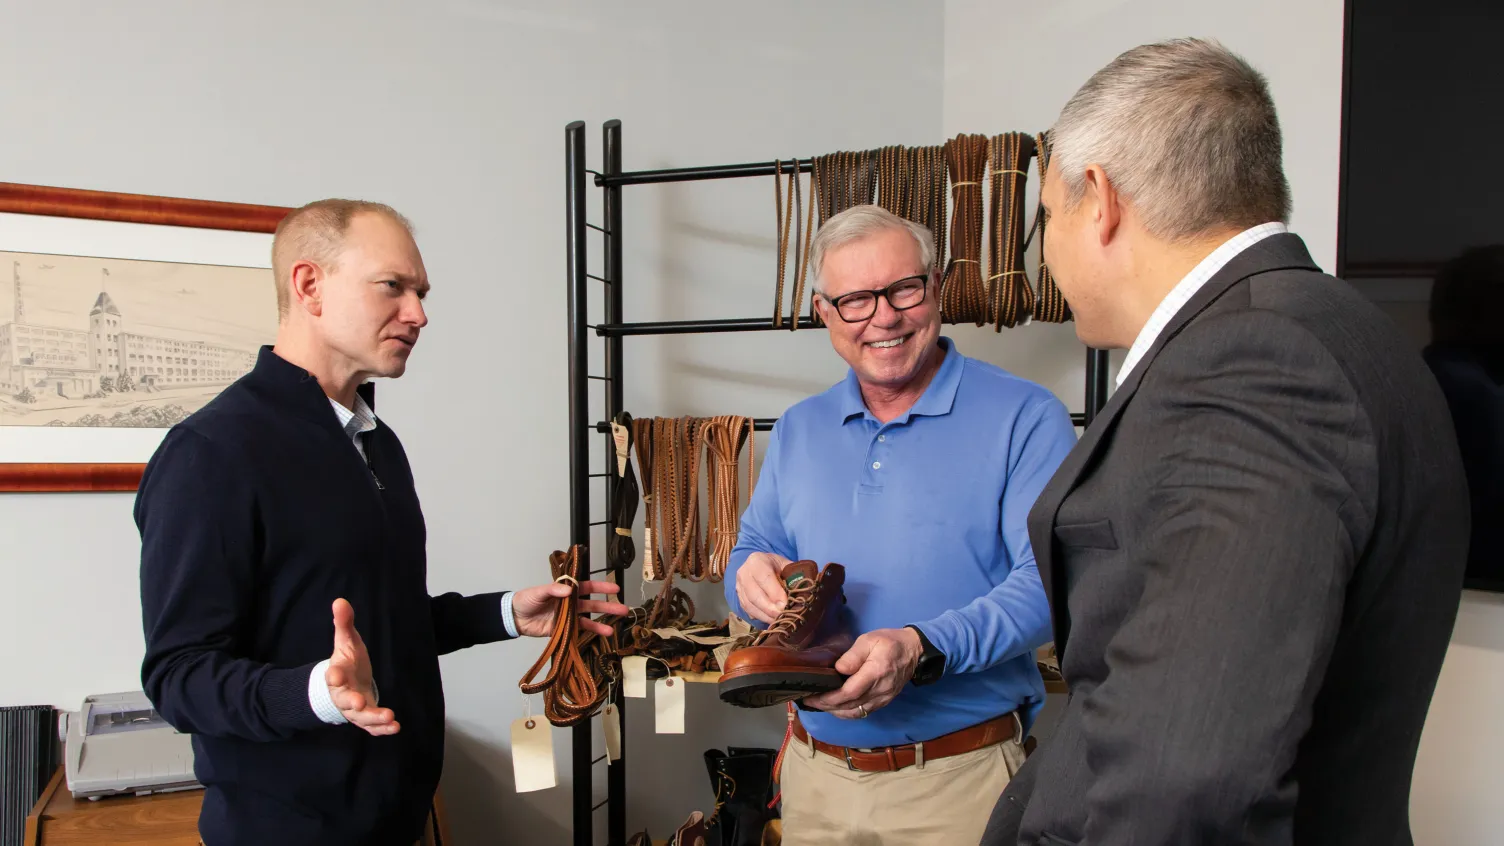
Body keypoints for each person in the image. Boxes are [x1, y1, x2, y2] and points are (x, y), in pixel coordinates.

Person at [982, 38, 1470, 846]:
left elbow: (1186, 784)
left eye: (1047, 216)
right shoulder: (1337, 330)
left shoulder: (1250, 365)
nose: (1049, 251)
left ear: (1099, 200)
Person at [136, 199, 628, 846]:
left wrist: (506, 613)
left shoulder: (376, 443)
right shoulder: (211, 453)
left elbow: (386, 623)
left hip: (402, 822)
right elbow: (178, 677)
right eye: (392, 287)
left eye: (420, 293)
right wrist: (315, 691)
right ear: (309, 285)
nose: (419, 314)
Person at [724, 204, 1078, 845]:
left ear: (936, 286)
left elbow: (1050, 588)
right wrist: (746, 575)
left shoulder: (1026, 417)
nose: (883, 317)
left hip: (958, 783)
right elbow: (756, 547)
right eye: (855, 300)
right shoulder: (800, 427)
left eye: (903, 289)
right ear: (823, 312)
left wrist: (919, 646)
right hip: (813, 778)